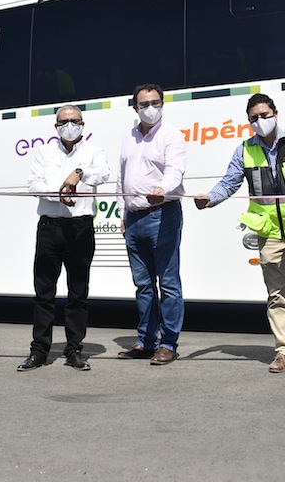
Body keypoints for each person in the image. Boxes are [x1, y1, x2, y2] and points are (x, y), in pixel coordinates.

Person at [194, 93, 285, 373]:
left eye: (264, 115)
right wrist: (210, 199)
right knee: (276, 295)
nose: (260, 121)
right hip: (270, 233)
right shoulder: (244, 150)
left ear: (276, 113)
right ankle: (284, 352)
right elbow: (229, 183)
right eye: (254, 118)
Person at [17, 105, 110, 372]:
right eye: (64, 122)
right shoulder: (44, 152)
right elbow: (34, 184)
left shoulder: (94, 152)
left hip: (80, 228)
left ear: (83, 124)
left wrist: (80, 173)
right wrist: (58, 194)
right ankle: (39, 351)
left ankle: (74, 350)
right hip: (50, 227)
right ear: (56, 126)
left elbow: (103, 174)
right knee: (43, 292)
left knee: (78, 293)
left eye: (75, 121)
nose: (70, 126)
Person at [116, 84, 187, 365]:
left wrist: (162, 188)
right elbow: (122, 178)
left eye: (155, 103)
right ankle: (146, 341)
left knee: (168, 283)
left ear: (162, 104)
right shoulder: (129, 137)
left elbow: (175, 170)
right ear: (135, 107)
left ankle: (168, 343)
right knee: (143, 285)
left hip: (162, 214)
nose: (150, 108)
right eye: (144, 104)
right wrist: (123, 214)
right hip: (134, 218)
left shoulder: (171, 135)